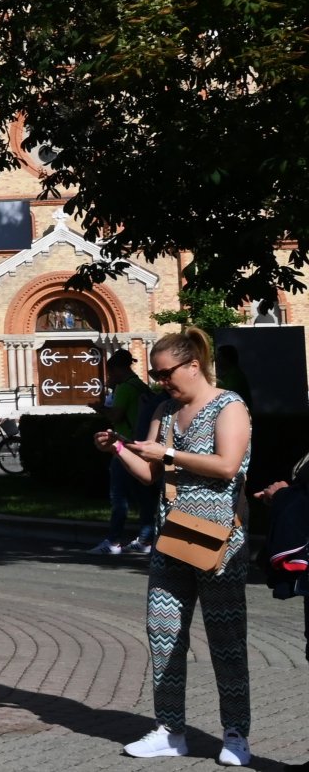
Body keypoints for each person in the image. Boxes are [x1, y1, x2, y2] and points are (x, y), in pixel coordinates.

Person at [99, 326, 252, 765]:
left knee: (227, 641)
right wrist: (121, 449)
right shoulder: (164, 411)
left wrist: (166, 455)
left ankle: (237, 735)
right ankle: (171, 730)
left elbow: (226, 465)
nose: (160, 381)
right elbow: (151, 476)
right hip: (171, 538)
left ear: (192, 365)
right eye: (155, 374)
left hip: (218, 540)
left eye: (165, 373)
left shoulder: (229, 406)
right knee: (163, 636)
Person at [93, 348, 156, 556]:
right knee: (143, 494)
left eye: (111, 373)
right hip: (140, 443)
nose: (110, 377)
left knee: (118, 496)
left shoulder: (125, 388)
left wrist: (99, 408)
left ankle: (113, 540)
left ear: (118, 370)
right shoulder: (140, 385)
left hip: (124, 447)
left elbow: (116, 417)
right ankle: (146, 538)